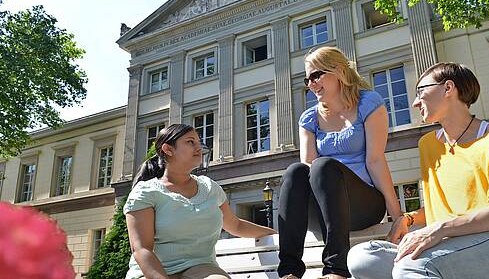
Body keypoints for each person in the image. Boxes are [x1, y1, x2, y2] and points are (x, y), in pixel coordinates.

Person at [348, 62, 489, 279]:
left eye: (420, 91)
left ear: (448, 88)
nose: (415, 102)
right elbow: (443, 205)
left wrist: (438, 230)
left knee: (414, 267)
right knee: (361, 258)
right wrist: (409, 219)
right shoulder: (428, 144)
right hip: (451, 240)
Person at [278, 46, 403, 279]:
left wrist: (397, 216)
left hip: (364, 205)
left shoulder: (369, 103)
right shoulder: (309, 118)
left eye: (316, 75)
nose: (311, 84)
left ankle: (336, 269)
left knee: (324, 166)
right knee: (296, 170)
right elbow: (307, 169)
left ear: (338, 71)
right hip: (324, 213)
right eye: (308, 80)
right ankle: (289, 271)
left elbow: (375, 160)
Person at [124, 124, 276, 279]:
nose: (199, 148)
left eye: (199, 142)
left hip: (201, 268)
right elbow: (142, 249)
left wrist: (276, 234)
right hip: (153, 272)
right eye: (190, 142)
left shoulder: (209, 187)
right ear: (168, 149)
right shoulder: (145, 192)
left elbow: (236, 225)